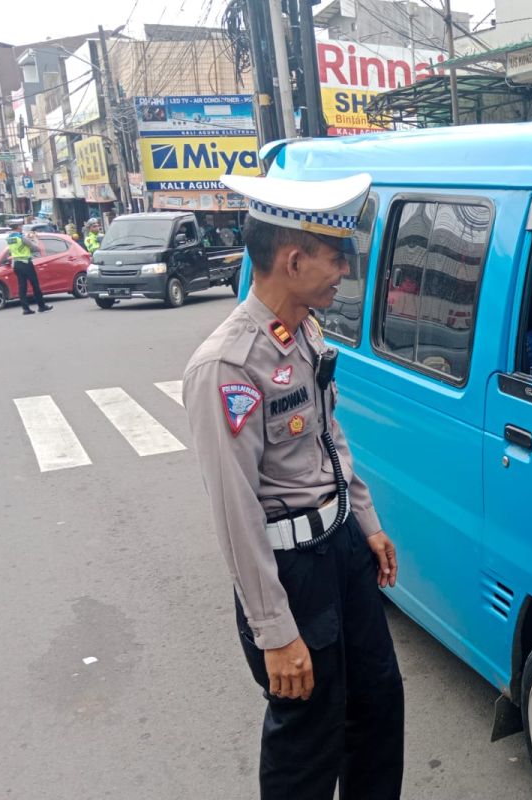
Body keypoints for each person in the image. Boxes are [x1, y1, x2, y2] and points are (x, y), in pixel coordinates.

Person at [182, 172, 403, 800]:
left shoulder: (303, 329)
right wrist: (274, 632)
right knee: (310, 735)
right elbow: (235, 511)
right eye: (337, 258)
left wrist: (367, 523)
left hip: (340, 550)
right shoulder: (227, 365)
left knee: (379, 703)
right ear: (294, 258)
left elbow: (329, 438)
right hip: (290, 572)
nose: (343, 272)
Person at [6, 220, 52, 315]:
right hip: (26, 263)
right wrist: (35, 239)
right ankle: (41, 306)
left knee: (22, 287)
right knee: (35, 285)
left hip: (16, 264)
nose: (22, 227)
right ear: (18, 227)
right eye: (20, 226)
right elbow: (34, 247)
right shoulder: (21, 238)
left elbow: (12, 251)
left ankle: (25, 309)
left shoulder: (9, 238)